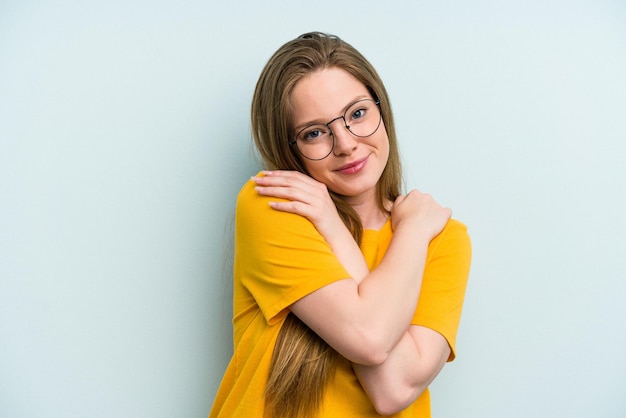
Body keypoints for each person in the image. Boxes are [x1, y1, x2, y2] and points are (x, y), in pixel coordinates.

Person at [209, 32, 471, 418]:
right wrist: (405, 232)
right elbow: (369, 338)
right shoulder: (276, 202)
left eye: (358, 113)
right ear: (289, 150)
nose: (346, 144)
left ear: (382, 109)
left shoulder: (442, 237)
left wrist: (409, 231)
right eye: (314, 133)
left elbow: (393, 389)